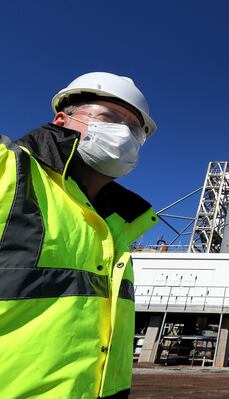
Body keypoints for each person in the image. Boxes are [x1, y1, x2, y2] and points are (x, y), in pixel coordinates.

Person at [0, 72, 158, 398]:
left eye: (135, 130)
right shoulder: (9, 174)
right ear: (62, 119)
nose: (124, 135)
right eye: (109, 117)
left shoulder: (117, 229)